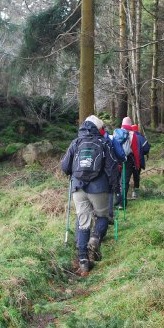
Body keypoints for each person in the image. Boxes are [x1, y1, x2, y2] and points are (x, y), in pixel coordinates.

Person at [61, 115, 119, 274]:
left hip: (78, 187)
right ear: (98, 128)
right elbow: (112, 167)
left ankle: (83, 261)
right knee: (102, 216)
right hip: (99, 187)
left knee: (83, 221)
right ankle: (95, 239)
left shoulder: (75, 143)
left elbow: (65, 167)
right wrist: (115, 188)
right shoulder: (104, 142)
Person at [116, 117, 151, 206]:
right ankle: (122, 203)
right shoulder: (132, 134)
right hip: (128, 160)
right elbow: (136, 151)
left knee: (119, 180)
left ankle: (117, 200)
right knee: (125, 181)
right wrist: (137, 163)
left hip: (118, 160)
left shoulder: (116, 133)